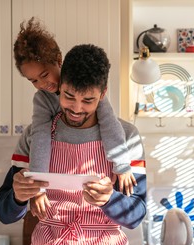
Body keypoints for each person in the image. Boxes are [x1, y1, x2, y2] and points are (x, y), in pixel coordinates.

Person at [0, 44, 147, 245]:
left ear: (102, 94)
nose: (76, 109)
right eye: (68, 96)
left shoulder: (126, 138)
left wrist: (109, 199)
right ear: (59, 88)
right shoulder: (35, 137)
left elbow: (136, 216)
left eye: (88, 100)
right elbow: (4, 213)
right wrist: (18, 197)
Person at [13, 17, 136, 219]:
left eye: (44, 75)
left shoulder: (90, 86)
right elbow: (41, 137)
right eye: (33, 80)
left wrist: (121, 166)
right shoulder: (42, 100)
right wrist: (38, 187)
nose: (42, 84)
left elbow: (110, 124)